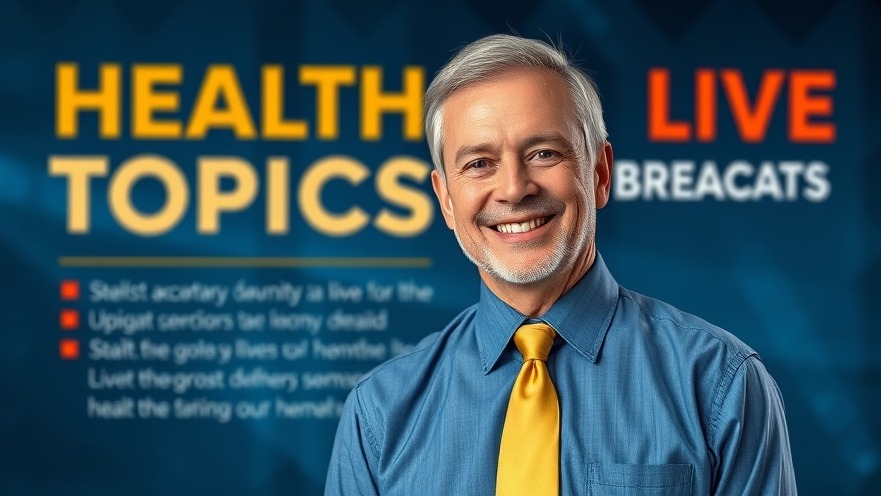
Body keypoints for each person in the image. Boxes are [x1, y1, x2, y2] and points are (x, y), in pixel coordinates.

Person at [325, 34, 797, 495]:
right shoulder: (381, 412)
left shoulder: (721, 384)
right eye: (479, 164)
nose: (514, 188)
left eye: (543, 153)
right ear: (446, 199)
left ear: (600, 173)